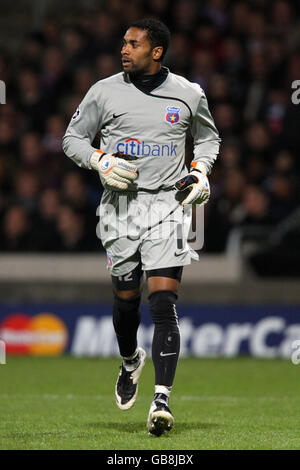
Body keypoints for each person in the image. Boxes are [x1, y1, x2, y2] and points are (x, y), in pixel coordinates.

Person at [62, 18, 220, 436]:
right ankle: (131, 359)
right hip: (120, 209)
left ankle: (161, 400)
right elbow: (72, 138)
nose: (124, 49)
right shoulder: (104, 91)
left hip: (168, 206)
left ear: (157, 51)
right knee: (126, 298)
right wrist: (100, 160)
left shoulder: (188, 94)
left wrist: (200, 172)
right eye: (123, 42)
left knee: (163, 304)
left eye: (134, 43)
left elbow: (208, 139)